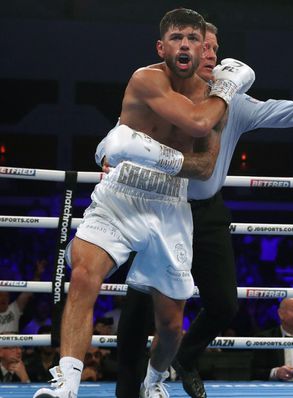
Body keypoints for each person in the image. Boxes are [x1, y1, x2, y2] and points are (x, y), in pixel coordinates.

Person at [105, 21, 293, 398]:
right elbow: (132, 128)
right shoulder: (162, 90)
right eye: (205, 47)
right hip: (156, 207)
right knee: (139, 307)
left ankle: (183, 358)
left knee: (223, 303)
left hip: (204, 212)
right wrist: (112, 154)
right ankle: (128, 387)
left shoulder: (230, 100)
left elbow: (269, 110)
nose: (210, 55)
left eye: (215, 49)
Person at [33, 8, 251, 398]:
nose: (185, 44)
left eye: (192, 38)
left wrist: (144, 150)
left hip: (170, 204)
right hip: (122, 194)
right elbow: (196, 124)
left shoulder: (216, 101)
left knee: (170, 324)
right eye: (176, 38)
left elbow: (203, 167)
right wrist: (223, 95)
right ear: (161, 46)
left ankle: (154, 381)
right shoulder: (146, 78)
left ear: (204, 48)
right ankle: (67, 382)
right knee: (84, 274)